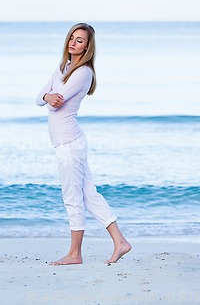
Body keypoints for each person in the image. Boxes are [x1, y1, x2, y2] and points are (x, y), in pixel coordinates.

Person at [36, 23, 131, 265]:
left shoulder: (82, 73)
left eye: (79, 40)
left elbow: (55, 103)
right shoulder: (63, 67)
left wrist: (49, 97)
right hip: (68, 143)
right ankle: (120, 242)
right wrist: (47, 95)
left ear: (88, 46)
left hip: (70, 144)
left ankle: (75, 254)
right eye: (72, 38)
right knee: (89, 195)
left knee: (72, 197)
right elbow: (40, 97)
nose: (73, 43)